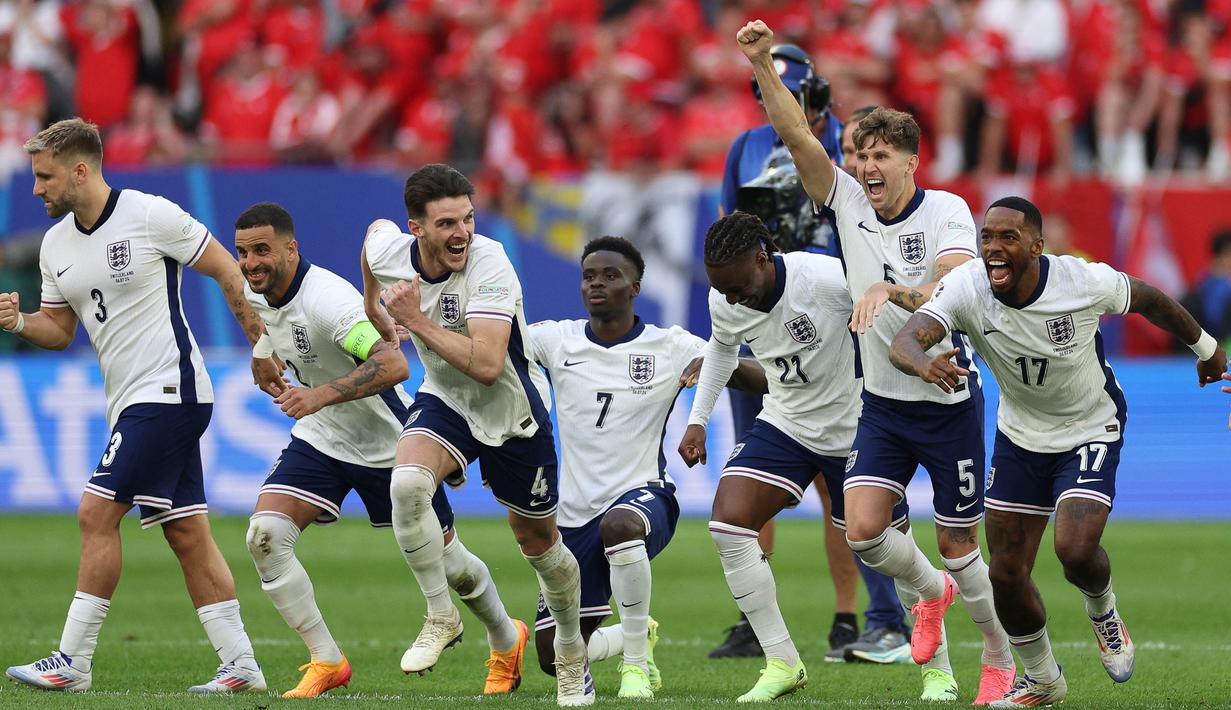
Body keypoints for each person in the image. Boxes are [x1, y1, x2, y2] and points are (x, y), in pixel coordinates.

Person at [738, 19, 1014, 704]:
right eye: (857, 156)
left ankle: (997, 656)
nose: (863, 169)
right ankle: (930, 596)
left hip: (947, 401)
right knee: (863, 531)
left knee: (959, 544)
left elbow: (951, 285)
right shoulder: (847, 201)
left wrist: (889, 288)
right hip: (884, 406)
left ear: (909, 161)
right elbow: (799, 137)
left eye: (877, 157)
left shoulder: (947, 210)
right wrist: (762, 66)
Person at [890, 196, 1227, 706]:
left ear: (1037, 246)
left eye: (1008, 238)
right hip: (1020, 435)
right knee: (1005, 573)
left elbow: (1150, 299)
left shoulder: (1081, 281)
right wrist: (921, 363)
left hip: (1091, 423)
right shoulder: (966, 287)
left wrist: (1207, 348)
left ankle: (1103, 610)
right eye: (987, 238)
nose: (994, 250)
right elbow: (908, 339)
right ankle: (1043, 679)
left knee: (1073, 549)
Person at [2, 118, 283, 693]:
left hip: (169, 390)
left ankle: (72, 663)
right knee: (187, 533)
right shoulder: (55, 245)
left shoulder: (152, 215)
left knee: (95, 513)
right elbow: (59, 329)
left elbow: (226, 269)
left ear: (81, 170)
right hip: (130, 400)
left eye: (44, 176)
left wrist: (260, 346)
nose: (36, 189)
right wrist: (19, 322)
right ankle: (242, 667)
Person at [234, 202, 526, 698]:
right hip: (321, 438)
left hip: (388, 441)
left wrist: (319, 394)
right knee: (264, 536)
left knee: (451, 564)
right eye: (242, 252)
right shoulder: (255, 287)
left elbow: (394, 365)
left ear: (291, 248)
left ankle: (504, 638)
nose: (250, 263)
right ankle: (326, 660)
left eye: (261, 250)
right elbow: (271, 324)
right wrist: (262, 355)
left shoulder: (329, 301)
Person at [361, 163, 591, 707]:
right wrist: (375, 309)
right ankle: (440, 614)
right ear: (416, 228)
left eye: (467, 218)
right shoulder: (392, 251)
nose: (462, 232)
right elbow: (371, 239)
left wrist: (412, 320)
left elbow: (488, 365)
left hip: (512, 412)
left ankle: (572, 654)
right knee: (407, 485)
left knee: (538, 544)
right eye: (446, 223)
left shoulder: (491, 264)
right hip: (445, 401)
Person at [713, 46, 908, 667]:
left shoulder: (849, 156)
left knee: (846, 490)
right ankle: (754, 618)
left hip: (838, 319)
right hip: (770, 324)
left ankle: (867, 616)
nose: (786, 107)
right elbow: (730, 229)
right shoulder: (744, 148)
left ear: (818, 98)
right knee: (753, 472)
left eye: (797, 95)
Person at [677, 211, 907, 702]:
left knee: (887, 552)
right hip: (787, 423)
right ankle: (782, 661)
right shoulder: (728, 298)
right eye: (723, 291)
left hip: (856, 430)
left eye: (738, 286)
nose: (733, 299)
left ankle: (938, 663)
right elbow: (721, 349)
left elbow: (894, 316)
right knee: (728, 524)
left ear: (763, 259)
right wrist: (698, 419)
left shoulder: (825, 280)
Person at [528, 236, 767, 699]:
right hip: (574, 516)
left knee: (620, 525)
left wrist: (720, 366)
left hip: (644, 497)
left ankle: (635, 666)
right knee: (550, 656)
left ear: (635, 287)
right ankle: (638, 634)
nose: (597, 283)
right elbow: (492, 344)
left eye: (611, 275)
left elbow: (752, 374)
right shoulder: (556, 339)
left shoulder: (669, 344)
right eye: (589, 276)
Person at [1180, 229, 1231, 348]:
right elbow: (1215, 324)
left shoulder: (1203, 283)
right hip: (1209, 352)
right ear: (1222, 255)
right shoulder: (1214, 289)